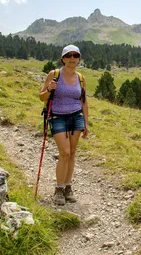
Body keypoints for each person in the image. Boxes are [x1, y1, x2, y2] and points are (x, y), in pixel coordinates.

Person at [39, 44, 89, 205]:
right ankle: (58, 189)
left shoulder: (81, 78)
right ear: (63, 59)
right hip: (57, 117)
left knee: (72, 153)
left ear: (79, 58)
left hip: (76, 117)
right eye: (69, 56)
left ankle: (68, 187)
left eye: (75, 55)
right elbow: (42, 97)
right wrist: (49, 89)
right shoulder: (54, 74)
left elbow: (84, 101)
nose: (72, 58)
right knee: (65, 152)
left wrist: (86, 123)